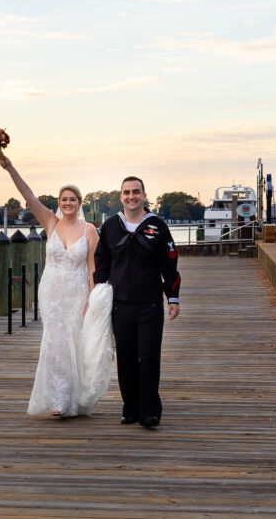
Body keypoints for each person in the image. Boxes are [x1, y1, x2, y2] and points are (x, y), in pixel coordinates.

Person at [0, 153, 111, 418]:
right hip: (52, 292)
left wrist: (92, 298)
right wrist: (10, 167)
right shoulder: (51, 223)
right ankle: (58, 400)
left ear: (80, 203)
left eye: (73, 199)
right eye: (64, 199)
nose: (68, 203)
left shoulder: (89, 231)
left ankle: (75, 398)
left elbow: (93, 267)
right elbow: (29, 197)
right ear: (59, 203)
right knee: (55, 342)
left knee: (75, 342)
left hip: (77, 292)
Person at [93, 176, 180, 428]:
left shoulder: (157, 226)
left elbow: (170, 264)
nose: (131, 196)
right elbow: (102, 263)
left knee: (149, 356)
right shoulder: (111, 226)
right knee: (127, 358)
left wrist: (172, 297)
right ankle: (130, 408)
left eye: (136, 192)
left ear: (144, 195)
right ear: (120, 197)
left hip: (150, 304)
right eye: (126, 192)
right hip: (120, 305)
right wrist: (99, 293)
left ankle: (150, 411)